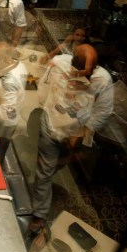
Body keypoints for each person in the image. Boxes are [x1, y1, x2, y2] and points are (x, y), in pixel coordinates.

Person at [28, 44, 114, 235]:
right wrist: (46, 107)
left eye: (88, 74)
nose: (84, 78)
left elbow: (103, 110)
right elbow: (43, 86)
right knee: (45, 171)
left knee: (55, 166)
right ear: (73, 63)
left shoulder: (102, 80)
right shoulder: (58, 64)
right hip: (50, 127)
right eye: (81, 73)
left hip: (73, 135)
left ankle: (44, 182)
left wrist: (84, 132)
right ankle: (39, 215)